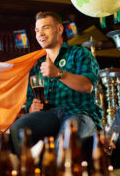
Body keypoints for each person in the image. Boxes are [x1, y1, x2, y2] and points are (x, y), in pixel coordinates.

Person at [10, 11, 102, 155]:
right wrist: (32, 108)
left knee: (66, 139)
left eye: (45, 27)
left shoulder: (79, 53)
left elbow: (88, 85)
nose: (40, 33)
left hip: (79, 112)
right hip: (49, 115)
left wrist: (59, 73)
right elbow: (30, 98)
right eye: (37, 30)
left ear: (59, 29)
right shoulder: (37, 65)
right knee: (18, 129)